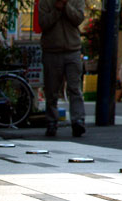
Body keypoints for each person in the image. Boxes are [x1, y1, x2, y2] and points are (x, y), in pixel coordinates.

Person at [38, 0, 86, 137]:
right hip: (51, 50)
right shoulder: (45, 3)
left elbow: (78, 19)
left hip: (73, 49)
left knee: (74, 88)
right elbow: (43, 24)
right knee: (51, 90)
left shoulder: (76, 1)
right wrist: (56, 10)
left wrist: (66, 7)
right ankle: (51, 122)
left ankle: (78, 121)